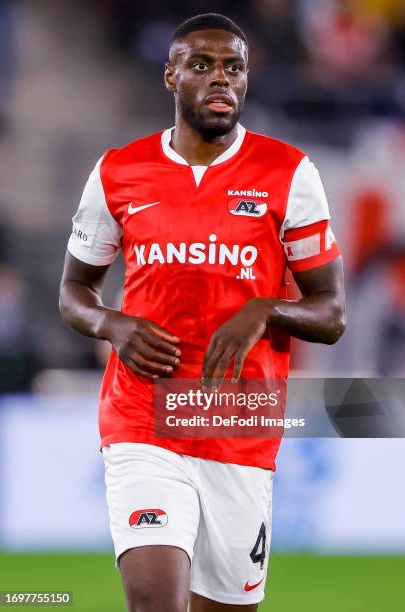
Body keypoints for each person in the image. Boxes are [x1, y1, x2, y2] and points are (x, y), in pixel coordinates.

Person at [59, 12, 345, 612]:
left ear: (246, 81)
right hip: (143, 417)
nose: (221, 79)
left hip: (241, 424)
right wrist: (113, 324)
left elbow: (331, 313)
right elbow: (74, 294)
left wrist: (267, 309)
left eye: (234, 68)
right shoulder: (118, 172)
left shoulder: (288, 173)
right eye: (203, 65)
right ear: (171, 76)